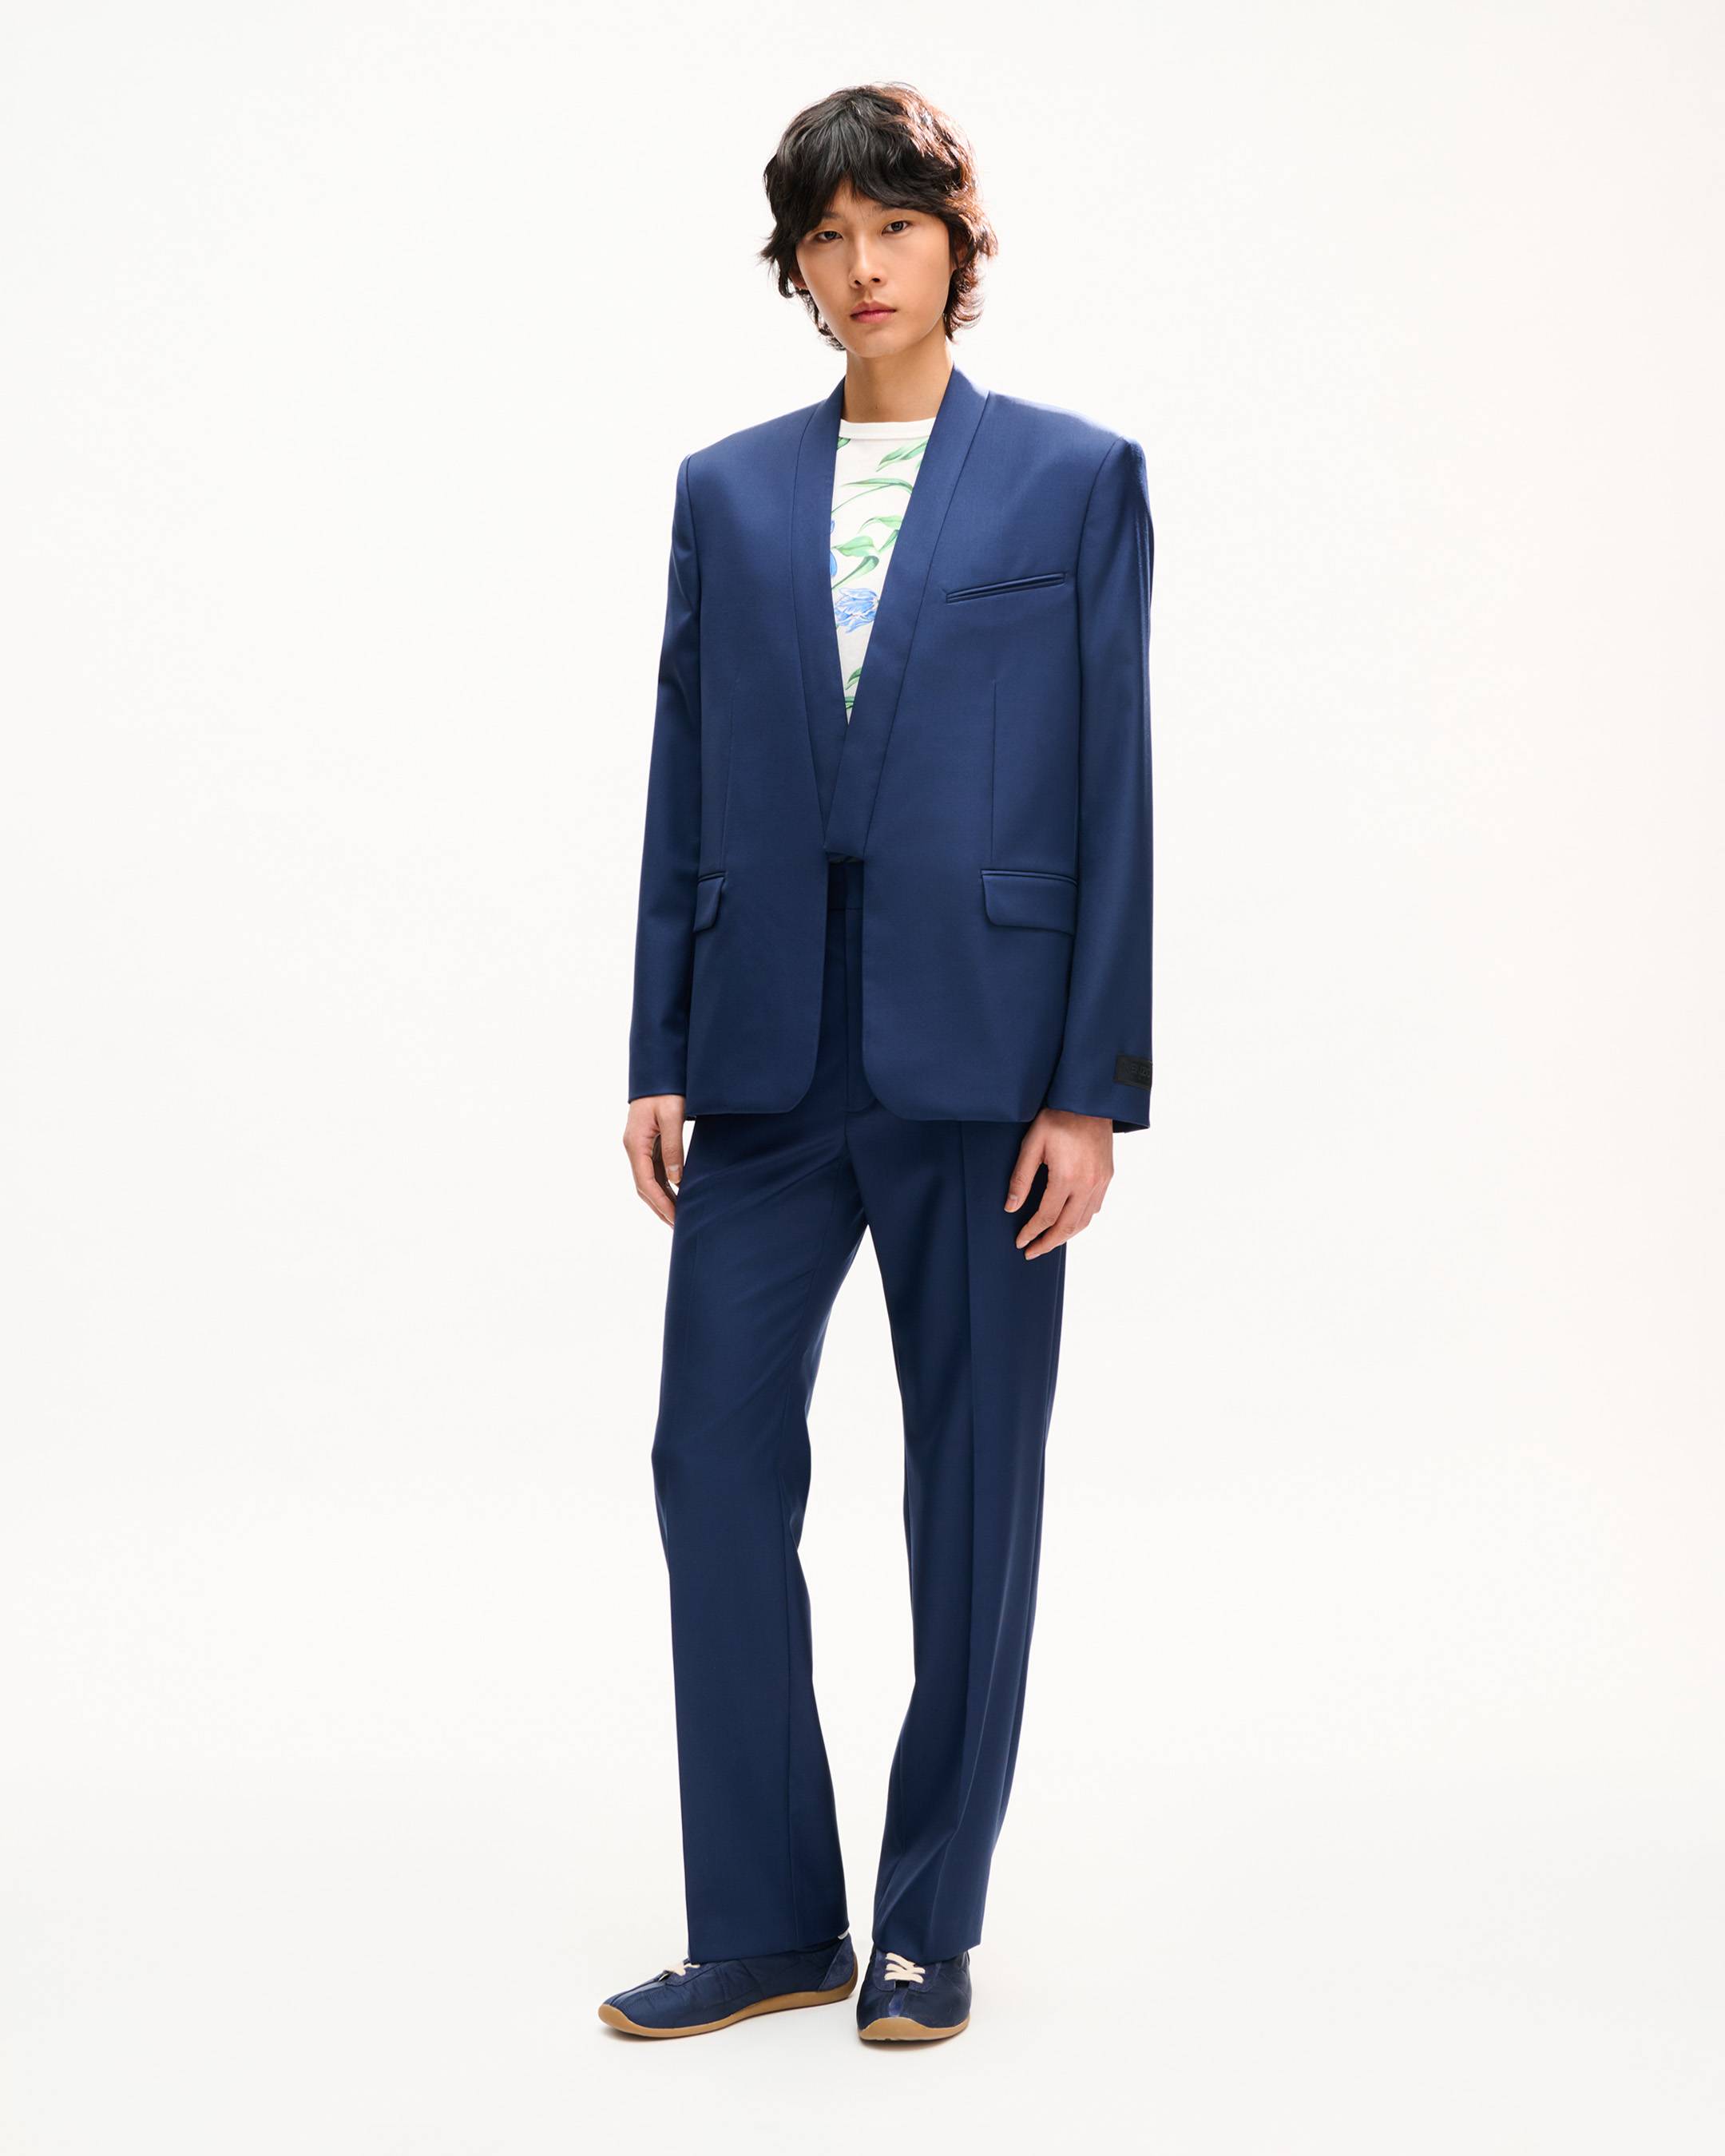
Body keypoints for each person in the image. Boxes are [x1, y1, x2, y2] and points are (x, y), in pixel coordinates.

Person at [601, 81, 1154, 2044]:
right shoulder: (729, 489)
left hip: (989, 1066)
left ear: (955, 243)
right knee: (710, 1462)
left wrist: (1090, 1085)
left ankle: (929, 1922)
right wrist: (659, 1045)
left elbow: (1113, 784)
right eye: (828, 237)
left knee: (971, 1489)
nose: (862, 266)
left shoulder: (1072, 480)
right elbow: (684, 774)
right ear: (797, 263)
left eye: (894, 228)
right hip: (763, 1059)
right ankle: (768, 1922)